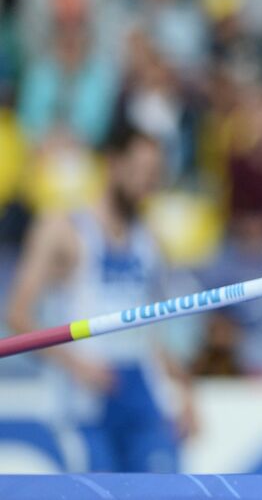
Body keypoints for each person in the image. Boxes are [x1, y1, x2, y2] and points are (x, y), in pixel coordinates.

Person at [6, 127, 197, 472]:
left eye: (155, 174)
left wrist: (186, 393)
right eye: (140, 171)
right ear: (113, 164)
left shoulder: (150, 239)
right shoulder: (63, 229)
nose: (147, 184)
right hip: (87, 403)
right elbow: (18, 316)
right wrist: (77, 365)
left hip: (141, 397)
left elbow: (152, 330)